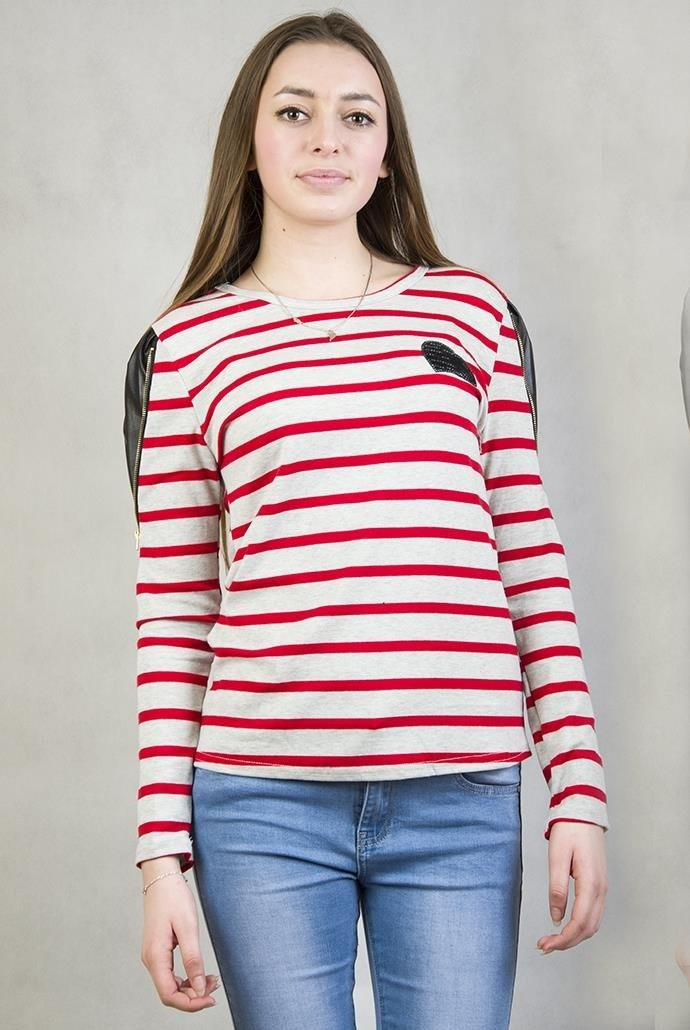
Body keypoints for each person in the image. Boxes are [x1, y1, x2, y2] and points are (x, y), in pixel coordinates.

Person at [131, 9, 609, 1027]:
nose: (326, 139)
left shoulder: (471, 313)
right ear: (248, 143)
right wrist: (161, 858)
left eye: (357, 116)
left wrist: (577, 783)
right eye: (293, 112)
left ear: (388, 154)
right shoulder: (187, 346)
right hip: (259, 806)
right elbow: (174, 612)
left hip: (459, 797)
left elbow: (528, 554)